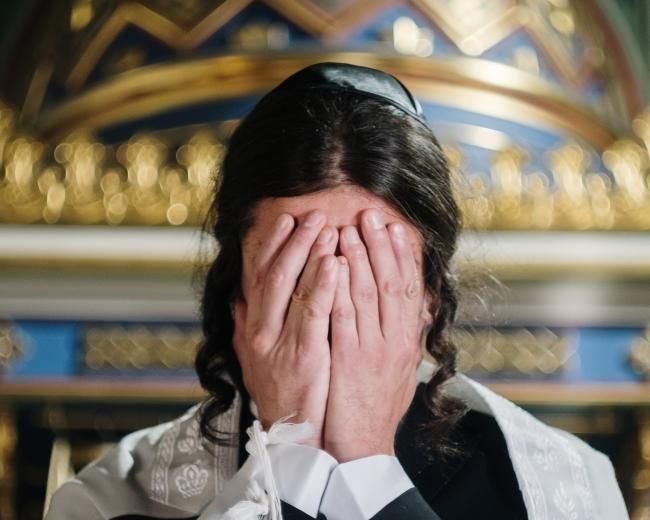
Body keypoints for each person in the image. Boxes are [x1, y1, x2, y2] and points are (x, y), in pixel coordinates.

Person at [46, 62, 628, 520]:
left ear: (428, 295)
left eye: (367, 271)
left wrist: (370, 473)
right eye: (296, 271)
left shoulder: (560, 487)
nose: (330, 304)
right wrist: (291, 452)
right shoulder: (111, 497)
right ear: (237, 293)